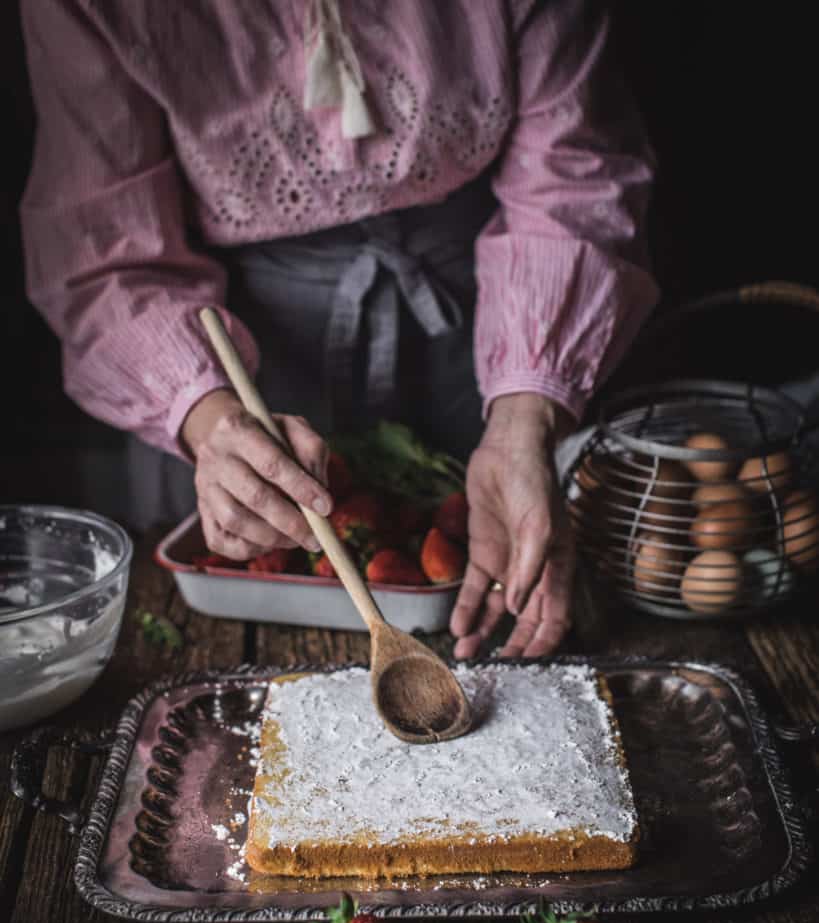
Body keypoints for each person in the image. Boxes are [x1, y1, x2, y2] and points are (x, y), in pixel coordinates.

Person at [20, 0, 659, 659]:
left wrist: (523, 425)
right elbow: (105, 253)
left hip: (491, 327)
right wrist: (211, 423)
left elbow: (575, 178)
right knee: (256, 548)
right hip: (228, 354)